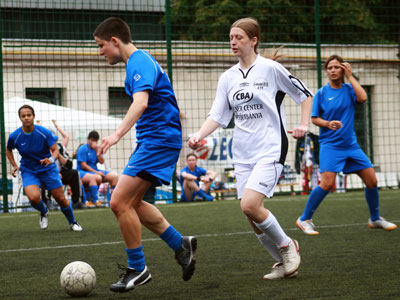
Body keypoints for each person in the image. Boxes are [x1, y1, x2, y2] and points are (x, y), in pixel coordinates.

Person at [189, 17, 312, 280]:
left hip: (271, 147)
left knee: (250, 205)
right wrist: (199, 134)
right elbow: (218, 116)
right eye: (231, 37)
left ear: (253, 40)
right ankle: (282, 262)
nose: (233, 42)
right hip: (242, 153)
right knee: (250, 215)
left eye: (239, 37)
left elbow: (304, 94)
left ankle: (287, 246)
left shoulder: (271, 69)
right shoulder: (228, 77)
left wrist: (304, 125)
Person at [93, 17, 197, 293]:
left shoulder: (139, 61)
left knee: (118, 202)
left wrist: (116, 135)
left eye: (101, 45)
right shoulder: (136, 65)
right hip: (153, 140)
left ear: (115, 41)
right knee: (133, 203)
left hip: (159, 140)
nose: (100, 51)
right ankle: (180, 245)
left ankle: (138, 269)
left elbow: (141, 102)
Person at [296, 54, 397, 235]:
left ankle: (375, 219)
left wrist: (351, 76)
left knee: (372, 180)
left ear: (343, 69)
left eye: (336, 67)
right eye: (329, 68)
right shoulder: (321, 93)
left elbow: (363, 97)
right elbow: (314, 119)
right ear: (326, 71)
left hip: (351, 146)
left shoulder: (350, 89)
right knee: (327, 183)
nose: (333, 71)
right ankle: (304, 219)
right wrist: (327, 124)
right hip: (330, 146)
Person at [6, 105, 83, 231]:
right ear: (20, 118)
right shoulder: (15, 136)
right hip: (29, 170)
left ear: (33, 116)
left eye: (29, 115)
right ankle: (44, 211)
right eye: (23, 116)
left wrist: (51, 159)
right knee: (33, 198)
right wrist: (14, 165)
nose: (26, 118)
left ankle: (73, 222)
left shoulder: (44, 132)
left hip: (48, 168)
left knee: (61, 199)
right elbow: (8, 150)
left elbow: (55, 150)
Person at [76, 130, 118, 207]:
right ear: (88, 140)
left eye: (95, 141)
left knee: (114, 176)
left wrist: (97, 152)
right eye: (92, 140)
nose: (93, 142)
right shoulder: (83, 148)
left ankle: (114, 200)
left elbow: (102, 162)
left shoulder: (97, 149)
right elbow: (83, 165)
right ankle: (95, 200)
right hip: (82, 172)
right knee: (96, 177)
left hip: (95, 171)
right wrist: (96, 172)